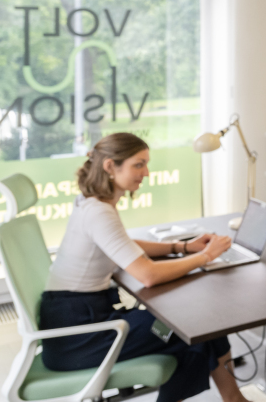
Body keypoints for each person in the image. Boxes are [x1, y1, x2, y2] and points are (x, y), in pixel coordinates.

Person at [40, 132, 252, 402]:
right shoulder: (98, 212)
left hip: (79, 324)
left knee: (192, 324)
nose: (147, 172)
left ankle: (234, 399)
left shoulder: (92, 203)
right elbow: (149, 276)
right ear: (110, 167)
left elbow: (123, 243)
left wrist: (183, 247)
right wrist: (206, 256)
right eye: (138, 164)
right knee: (188, 326)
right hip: (81, 339)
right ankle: (234, 399)